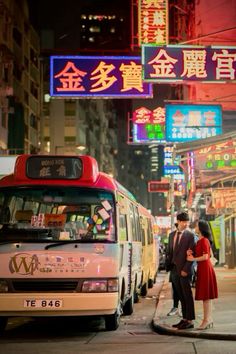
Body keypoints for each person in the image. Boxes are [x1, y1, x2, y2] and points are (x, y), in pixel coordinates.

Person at [187, 219, 218, 330]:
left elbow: (205, 257)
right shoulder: (200, 241)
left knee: (206, 297)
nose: (195, 227)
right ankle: (208, 319)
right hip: (202, 269)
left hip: (205, 269)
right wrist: (190, 253)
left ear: (201, 228)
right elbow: (199, 254)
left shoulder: (204, 241)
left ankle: (206, 320)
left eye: (196, 226)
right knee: (206, 297)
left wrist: (193, 258)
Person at [169, 211, 196, 330]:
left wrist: (186, 269)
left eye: (187, 222)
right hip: (174, 270)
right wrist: (168, 266)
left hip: (185, 270)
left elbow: (192, 254)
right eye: (184, 222)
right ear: (178, 222)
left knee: (187, 295)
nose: (186, 224)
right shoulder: (171, 235)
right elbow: (169, 252)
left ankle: (189, 320)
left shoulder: (190, 236)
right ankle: (185, 319)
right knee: (180, 295)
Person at [165, 223, 181, 316]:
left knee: (183, 289)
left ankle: (183, 308)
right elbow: (169, 250)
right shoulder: (171, 235)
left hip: (183, 267)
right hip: (173, 266)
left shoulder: (188, 236)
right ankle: (175, 307)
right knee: (175, 288)